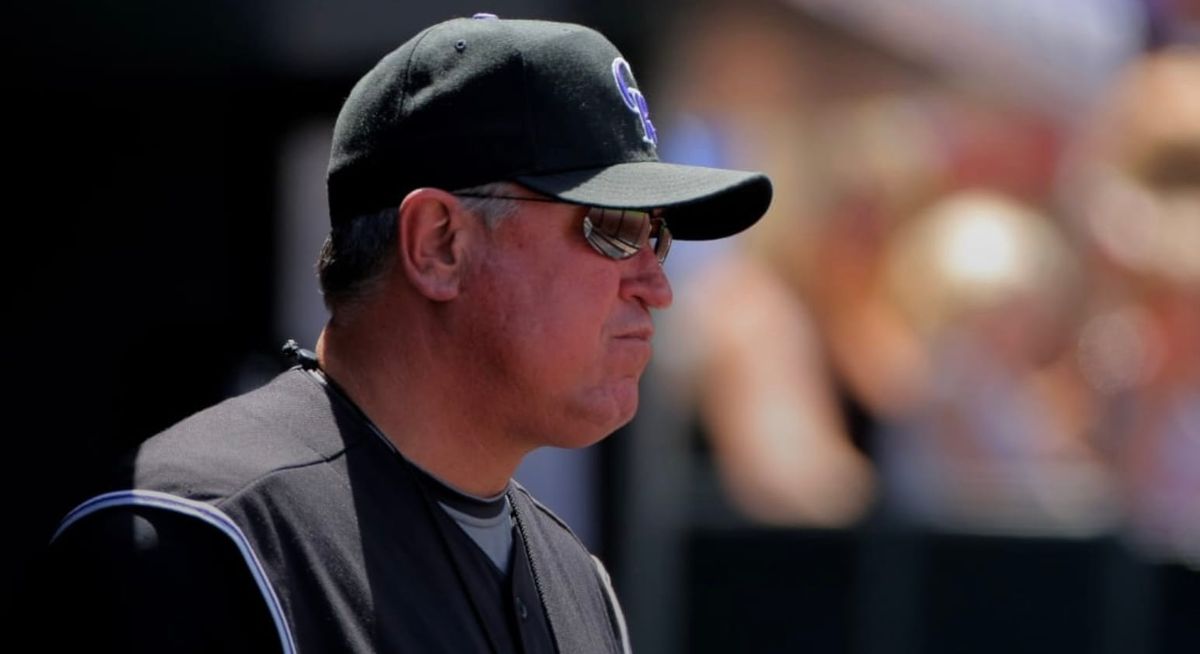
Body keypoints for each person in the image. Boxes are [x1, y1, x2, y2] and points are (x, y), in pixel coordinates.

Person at [26, 14, 772, 654]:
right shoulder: (191, 538)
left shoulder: (580, 584)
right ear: (439, 244)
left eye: (658, 237)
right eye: (612, 228)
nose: (657, 285)